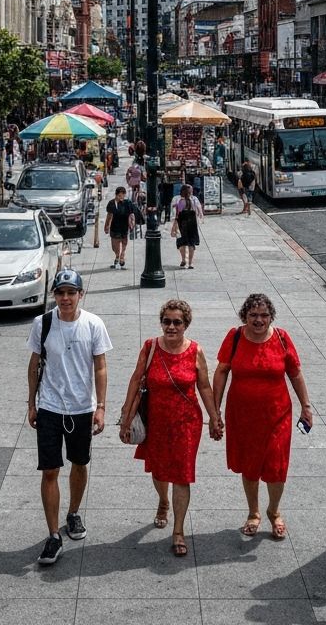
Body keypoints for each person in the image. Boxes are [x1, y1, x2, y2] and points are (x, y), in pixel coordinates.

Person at [117, 299, 221, 556]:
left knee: (182, 475)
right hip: (157, 421)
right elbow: (135, 379)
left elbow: (205, 387)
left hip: (187, 423)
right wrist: (126, 416)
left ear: (186, 324)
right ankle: (163, 501)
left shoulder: (195, 351)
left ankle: (178, 531)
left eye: (177, 322)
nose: (171, 327)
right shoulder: (151, 347)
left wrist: (215, 417)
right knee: (160, 471)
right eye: (167, 321)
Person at [27, 269, 112, 567]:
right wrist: (31, 403)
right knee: (49, 470)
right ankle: (53, 535)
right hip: (50, 407)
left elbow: (100, 367)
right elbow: (34, 363)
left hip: (81, 408)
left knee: (79, 464)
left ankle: (73, 513)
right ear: (54, 295)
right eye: (60, 293)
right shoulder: (43, 323)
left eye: (70, 292)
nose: (65, 298)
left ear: (80, 294)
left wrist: (100, 406)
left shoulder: (93, 324)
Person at [212, 293, 313, 540]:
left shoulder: (281, 338)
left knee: (276, 466)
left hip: (277, 416)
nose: (258, 320)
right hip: (243, 416)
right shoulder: (235, 337)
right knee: (250, 465)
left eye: (264, 315)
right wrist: (215, 410)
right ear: (245, 316)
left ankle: (274, 511)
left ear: (271, 317)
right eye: (253, 315)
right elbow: (222, 371)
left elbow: (295, 373)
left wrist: (306, 406)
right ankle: (253, 512)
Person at [103, 185, 137, 270]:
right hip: (114, 227)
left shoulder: (127, 203)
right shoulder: (111, 204)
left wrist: (132, 223)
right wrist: (107, 226)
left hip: (124, 226)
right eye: (119, 195)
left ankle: (122, 256)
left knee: (124, 242)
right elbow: (109, 216)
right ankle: (117, 255)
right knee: (114, 245)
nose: (121, 197)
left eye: (123, 195)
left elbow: (131, 214)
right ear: (116, 195)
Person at [171, 183, 204, 269]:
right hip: (192, 223)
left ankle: (183, 260)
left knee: (182, 242)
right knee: (191, 243)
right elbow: (199, 210)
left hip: (182, 223)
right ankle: (190, 262)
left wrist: (174, 224)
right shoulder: (194, 200)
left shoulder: (178, 200)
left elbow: (177, 213)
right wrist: (200, 217)